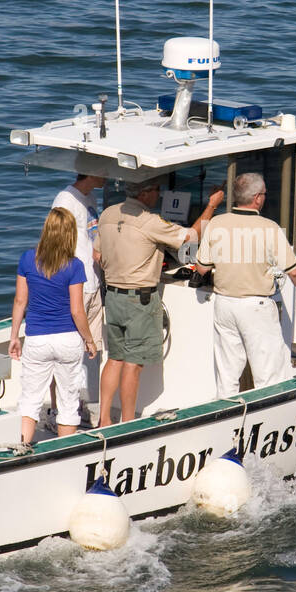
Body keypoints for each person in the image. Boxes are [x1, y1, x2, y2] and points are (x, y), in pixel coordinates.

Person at [96, 178, 224, 425]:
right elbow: (191, 237)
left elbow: (98, 253)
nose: (159, 194)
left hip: (112, 296)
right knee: (133, 364)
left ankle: (104, 419)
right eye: (156, 190)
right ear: (145, 194)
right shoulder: (150, 221)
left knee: (115, 358)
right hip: (139, 300)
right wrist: (211, 206)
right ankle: (128, 422)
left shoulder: (108, 214)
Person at [192, 172, 296, 399]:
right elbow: (295, 271)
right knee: (269, 376)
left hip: (224, 304)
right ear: (257, 198)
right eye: (264, 194)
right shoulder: (269, 228)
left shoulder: (217, 223)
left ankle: (226, 419)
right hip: (256, 307)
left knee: (227, 375)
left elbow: (201, 268)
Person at [8, 208, 98, 443]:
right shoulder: (75, 266)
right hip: (68, 340)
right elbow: (77, 311)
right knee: (68, 402)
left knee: (30, 400)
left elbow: (20, 301)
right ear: (70, 235)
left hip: (37, 339)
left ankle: (22, 449)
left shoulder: (28, 259)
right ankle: (64, 453)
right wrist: (89, 340)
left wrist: (14, 336)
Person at [51, 169, 106, 424]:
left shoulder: (90, 198)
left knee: (90, 350)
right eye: (102, 171)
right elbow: (56, 242)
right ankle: (56, 409)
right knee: (68, 352)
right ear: (89, 174)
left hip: (93, 283)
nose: (107, 176)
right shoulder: (66, 199)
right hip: (76, 285)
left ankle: (79, 405)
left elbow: (92, 236)